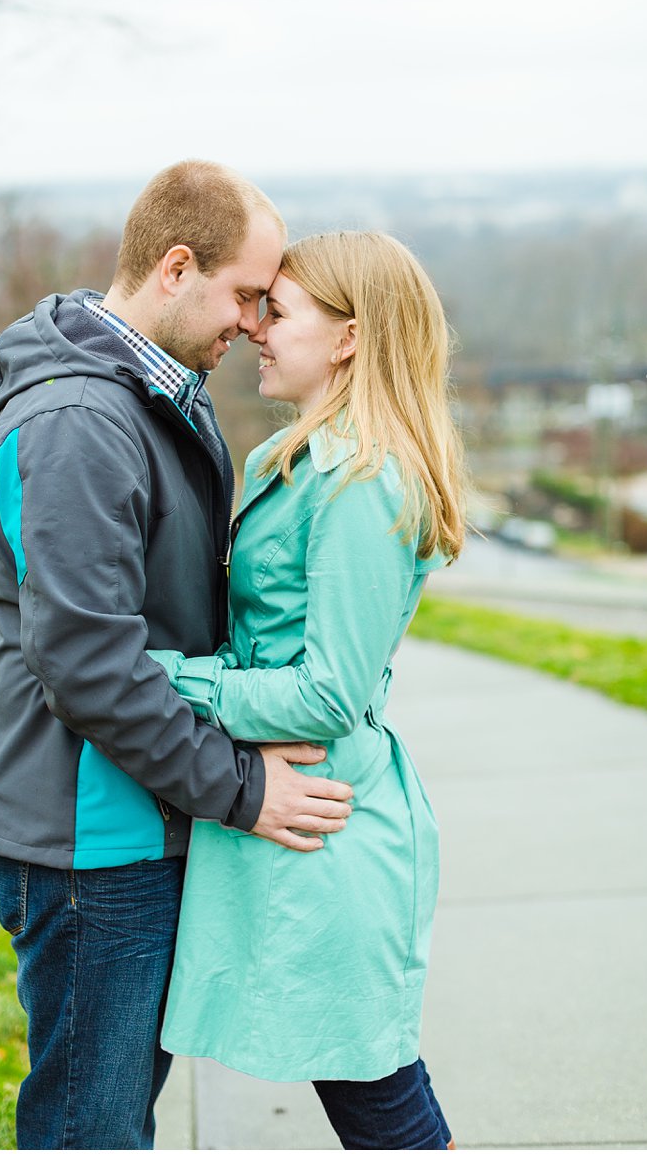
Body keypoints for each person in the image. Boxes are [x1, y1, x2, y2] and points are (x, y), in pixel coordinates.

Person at [0, 161, 355, 1151]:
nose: (252, 324)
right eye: (241, 296)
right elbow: (88, 666)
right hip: (88, 845)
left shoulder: (149, 395)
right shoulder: (75, 424)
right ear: (174, 267)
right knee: (89, 1130)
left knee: (108, 1117)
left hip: (133, 823)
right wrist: (239, 790)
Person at [149, 230, 466, 1150]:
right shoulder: (295, 459)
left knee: (375, 1091)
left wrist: (166, 679)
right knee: (361, 1079)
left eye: (276, 312)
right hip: (293, 814)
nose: (253, 327)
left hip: (329, 817)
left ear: (348, 338)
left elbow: (330, 694)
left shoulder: (363, 484)